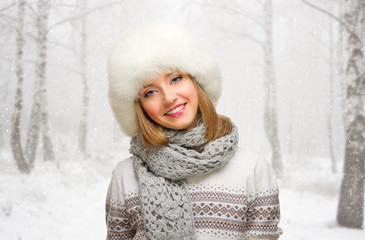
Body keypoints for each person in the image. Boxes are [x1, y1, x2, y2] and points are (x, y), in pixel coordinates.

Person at [105, 22, 282, 240]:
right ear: (139, 107)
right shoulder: (124, 177)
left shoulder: (253, 169)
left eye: (175, 79)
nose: (169, 98)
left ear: (196, 81)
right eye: (150, 92)